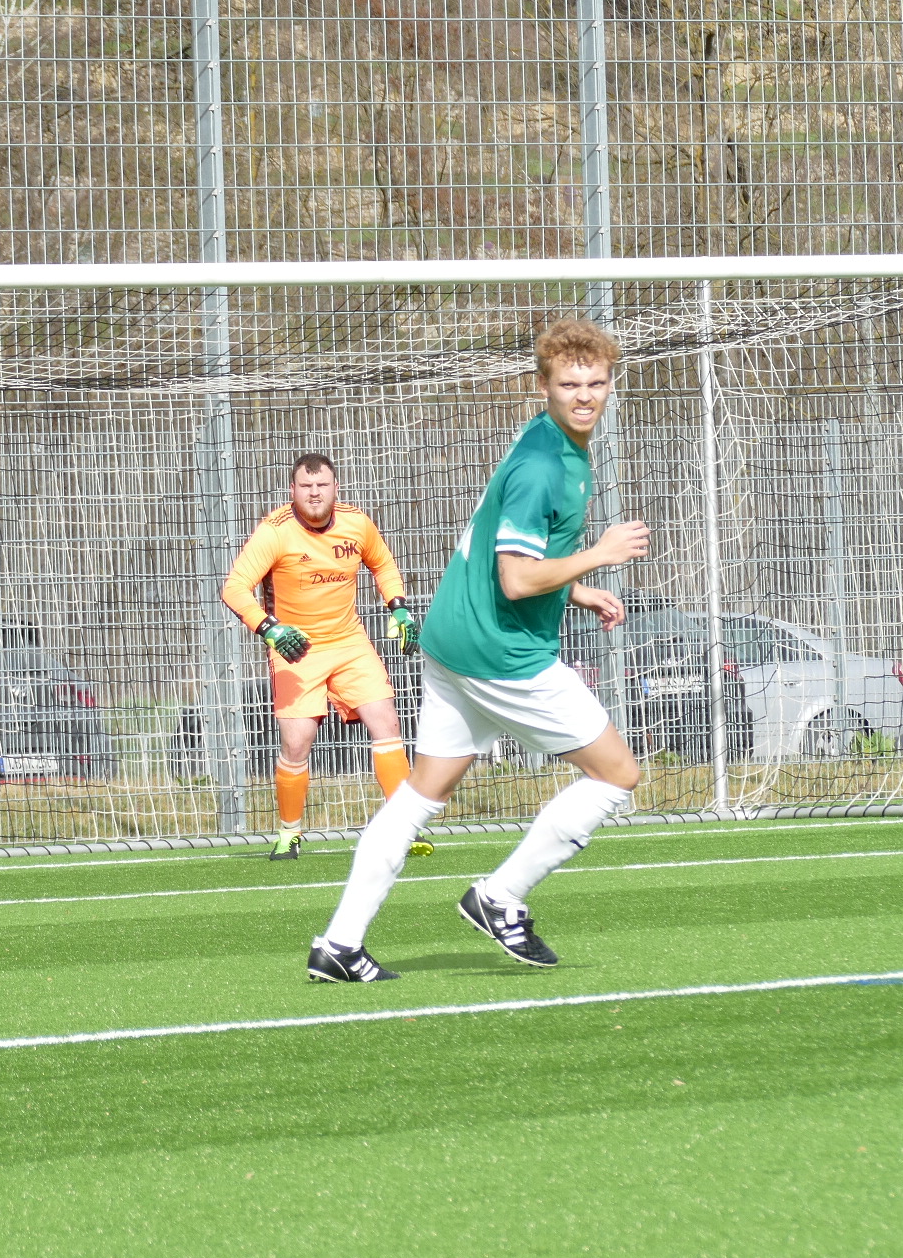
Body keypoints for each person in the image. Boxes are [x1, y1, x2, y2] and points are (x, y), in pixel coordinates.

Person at [306, 318, 650, 983]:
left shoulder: (547, 438)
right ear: (543, 386)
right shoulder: (546, 466)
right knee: (616, 775)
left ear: (611, 384)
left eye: (596, 383)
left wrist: (576, 592)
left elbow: (512, 552)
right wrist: (599, 555)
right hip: (501, 653)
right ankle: (500, 896)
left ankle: (339, 944)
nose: (584, 396)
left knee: (420, 795)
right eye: (569, 384)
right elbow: (516, 579)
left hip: (452, 638)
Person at [220, 453, 421, 861]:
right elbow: (235, 587)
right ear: (292, 490)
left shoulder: (357, 523)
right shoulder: (275, 531)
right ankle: (289, 833)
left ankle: (403, 830)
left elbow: (383, 564)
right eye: (306, 486)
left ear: (335, 488)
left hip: (350, 643)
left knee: (386, 721)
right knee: (297, 742)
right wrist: (269, 629)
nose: (315, 493)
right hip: (296, 648)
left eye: (322, 485)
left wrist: (398, 607)